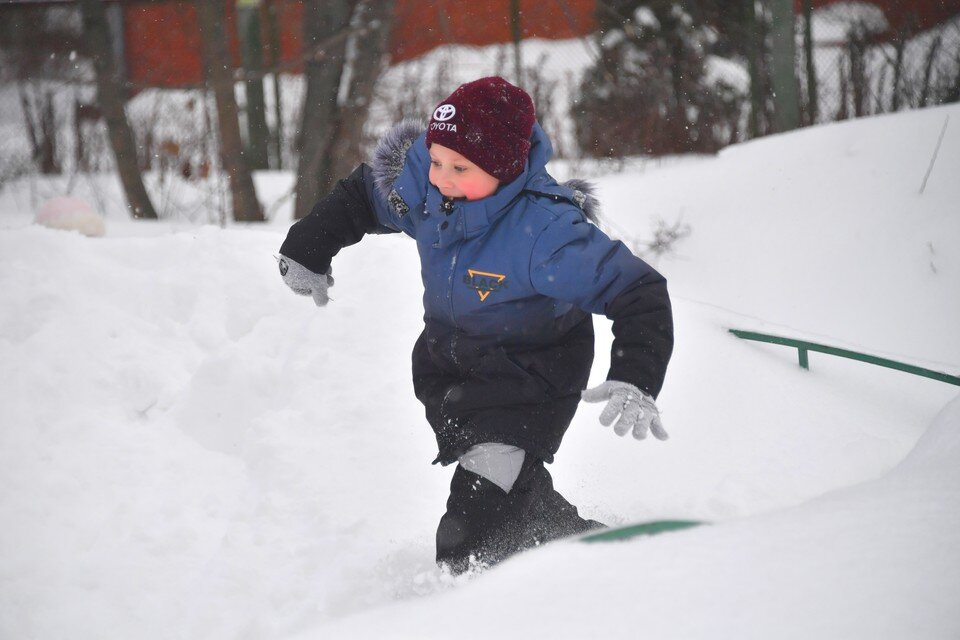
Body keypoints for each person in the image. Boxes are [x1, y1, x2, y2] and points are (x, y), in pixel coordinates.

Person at [277, 76, 673, 574]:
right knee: (506, 485)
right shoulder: (425, 183)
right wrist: (308, 247)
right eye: (436, 157)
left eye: (460, 168)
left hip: (531, 375)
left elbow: (637, 291)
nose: (441, 177)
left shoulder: (545, 232)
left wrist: (637, 374)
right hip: (451, 370)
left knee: (473, 523)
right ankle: (554, 531)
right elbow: (361, 199)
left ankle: (466, 594)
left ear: (504, 170)